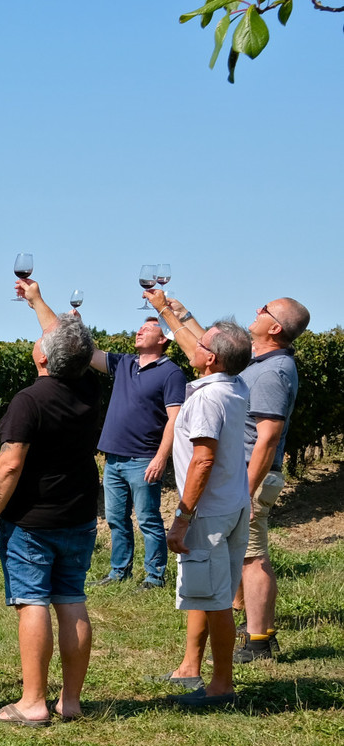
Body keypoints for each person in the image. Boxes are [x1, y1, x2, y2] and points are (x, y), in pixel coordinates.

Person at [148, 288, 307, 664]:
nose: (257, 309)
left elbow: (267, 439)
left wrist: (246, 492)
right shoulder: (249, 364)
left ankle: (259, 639)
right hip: (234, 479)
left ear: (275, 326)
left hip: (244, 478)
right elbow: (208, 349)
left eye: (265, 309)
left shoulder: (271, 372)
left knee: (252, 558)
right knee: (234, 561)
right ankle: (234, 630)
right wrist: (174, 314)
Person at [0, 279, 101, 726]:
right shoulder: (88, 390)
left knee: (32, 602)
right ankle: (70, 701)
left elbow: (9, 466)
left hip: (31, 519)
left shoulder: (29, 401)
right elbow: (70, 344)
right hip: (81, 512)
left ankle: (32, 703)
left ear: (43, 357)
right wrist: (35, 301)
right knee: (71, 599)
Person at [163, 320, 254, 708]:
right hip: (233, 503)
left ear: (211, 358)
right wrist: (168, 309)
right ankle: (190, 669)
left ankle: (222, 685)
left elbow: (202, 460)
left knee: (216, 599)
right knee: (208, 589)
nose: (191, 346)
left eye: (199, 343)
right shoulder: (236, 386)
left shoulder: (204, 398)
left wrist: (183, 515)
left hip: (209, 512)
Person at [88, 317, 187, 588]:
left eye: (148, 328)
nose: (139, 331)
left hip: (144, 459)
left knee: (147, 520)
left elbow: (174, 420)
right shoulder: (124, 363)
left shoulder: (172, 374)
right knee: (116, 519)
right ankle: (119, 572)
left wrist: (160, 457)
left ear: (163, 339)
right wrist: (78, 326)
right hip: (113, 459)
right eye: (140, 327)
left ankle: (155, 577)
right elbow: (89, 354)